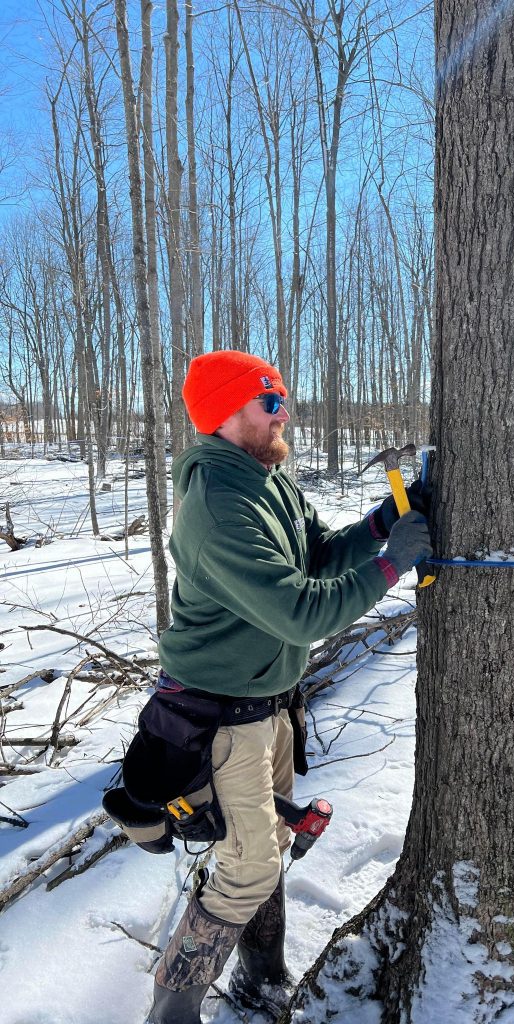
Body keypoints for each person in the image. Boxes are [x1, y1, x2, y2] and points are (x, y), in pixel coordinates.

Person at [148, 350, 432, 1024]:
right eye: (269, 400)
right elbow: (304, 609)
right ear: (226, 414)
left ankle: (260, 979)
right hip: (218, 719)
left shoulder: (266, 481)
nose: (286, 411)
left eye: (283, 396)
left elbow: (319, 556)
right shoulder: (216, 506)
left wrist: (380, 526)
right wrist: (393, 565)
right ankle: (171, 1010)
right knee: (246, 867)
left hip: (268, 707)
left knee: (266, 850)